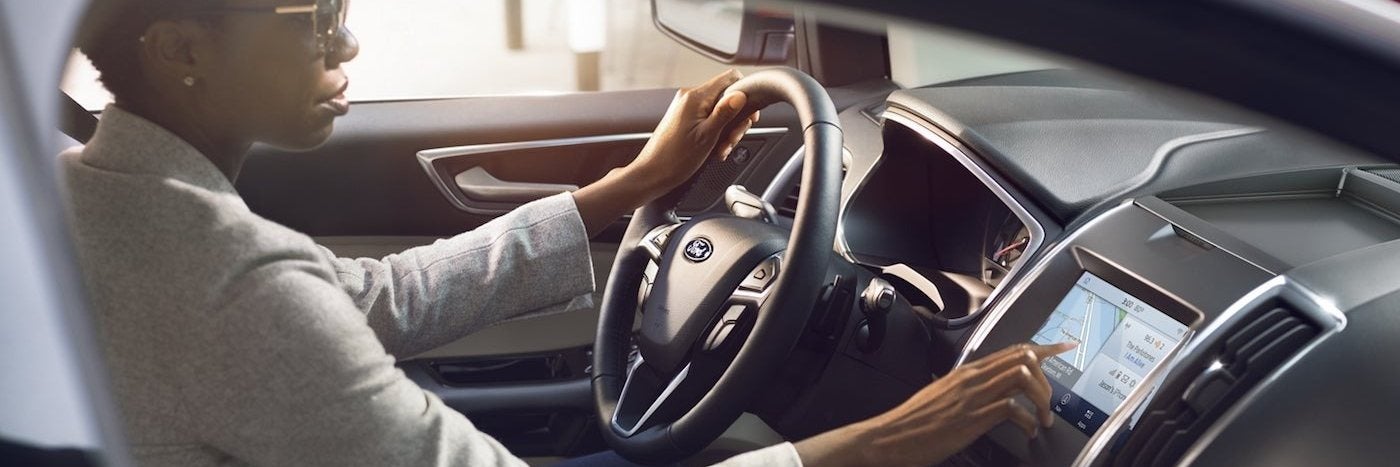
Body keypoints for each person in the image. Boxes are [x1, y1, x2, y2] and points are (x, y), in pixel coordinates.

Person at [62, 0, 1074, 465]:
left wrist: (622, 189)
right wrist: (882, 442)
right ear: (183, 50)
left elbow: (371, 302)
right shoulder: (217, 277)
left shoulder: (121, 202)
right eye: (312, 17)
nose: (349, 37)